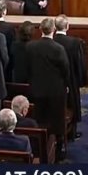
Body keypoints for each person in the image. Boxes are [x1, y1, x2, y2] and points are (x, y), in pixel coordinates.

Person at [27, 17, 71, 156]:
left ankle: (39, 146)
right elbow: (65, 69)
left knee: (39, 118)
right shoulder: (58, 49)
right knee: (56, 119)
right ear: (53, 30)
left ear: (40, 29)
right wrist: (66, 84)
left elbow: (28, 68)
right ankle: (58, 150)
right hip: (56, 91)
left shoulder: (30, 46)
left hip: (36, 88)